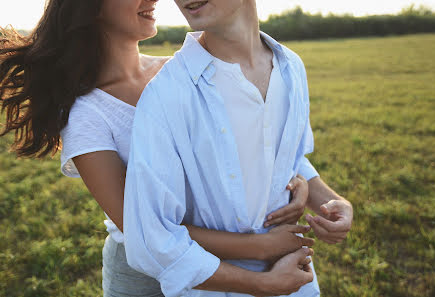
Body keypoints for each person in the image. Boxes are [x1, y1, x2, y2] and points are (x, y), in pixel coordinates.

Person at [0, 0, 317, 296]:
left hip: (227, 255)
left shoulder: (182, 73)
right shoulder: (87, 114)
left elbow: (248, 146)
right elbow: (143, 230)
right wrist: (260, 248)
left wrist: (294, 181)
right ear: (91, 7)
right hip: (143, 278)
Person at [124, 0, 353, 296]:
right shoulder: (167, 94)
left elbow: (289, 161)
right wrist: (262, 283)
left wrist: (336, 202)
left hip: (298, 282)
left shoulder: (291, 67)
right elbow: (151, 239)